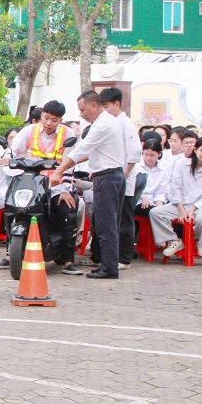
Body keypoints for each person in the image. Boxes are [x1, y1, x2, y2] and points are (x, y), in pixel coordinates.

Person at [0, 99, 80, 275]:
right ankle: (11, 254)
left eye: (54, 120)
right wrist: (6, 158)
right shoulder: (29, 130)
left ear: (60, 120)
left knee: (67, 211)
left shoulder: (68, 133)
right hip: (31, 181)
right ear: (41, 115)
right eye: (46, 118)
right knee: (12, 208)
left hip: (56, 184)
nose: (49, 123)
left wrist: (64, 189)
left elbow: (71, 162)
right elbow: (13, 149)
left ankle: (68, 260)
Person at [50, 90, 126, 279]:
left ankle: (109, 268)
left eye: (82, 110)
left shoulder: (102, 125)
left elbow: (81, 150)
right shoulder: (107, 122)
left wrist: (59, 171)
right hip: (110, 176)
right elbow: (88, 152)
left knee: (105, 225)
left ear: (94, 105)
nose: (81, 114)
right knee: (107, 224)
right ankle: (108, 265)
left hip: (107, 178)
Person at [99, 88, 142, 269]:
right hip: (116, 177)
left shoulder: (125, 123)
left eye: (107, 106)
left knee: (124, 217)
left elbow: (135, 152)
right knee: (115, 218)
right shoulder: (112, 123)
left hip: (126, 177)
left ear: (117, 104)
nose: (105, 110)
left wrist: (124, 175)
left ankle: (125, 257)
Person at [149, 136, 202, 259]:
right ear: (195, 149)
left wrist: (192, 209)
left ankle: (200, 243)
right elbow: (175, 187)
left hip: (200, 206)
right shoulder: (182, 164)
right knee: (155, 213)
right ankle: (174, 240)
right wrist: (181, 209)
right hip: (179, 203)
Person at [135, 138, 169, 221]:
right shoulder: (136, 166)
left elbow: (160, 193)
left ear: (159, 154)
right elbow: (131, 187)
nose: (148, 158)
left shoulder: (163, 170)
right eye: (146, 155)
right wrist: (142, 197)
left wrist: (160, 207)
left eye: (152, 155)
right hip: (137, 201)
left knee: (162, 213)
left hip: (153, 203)